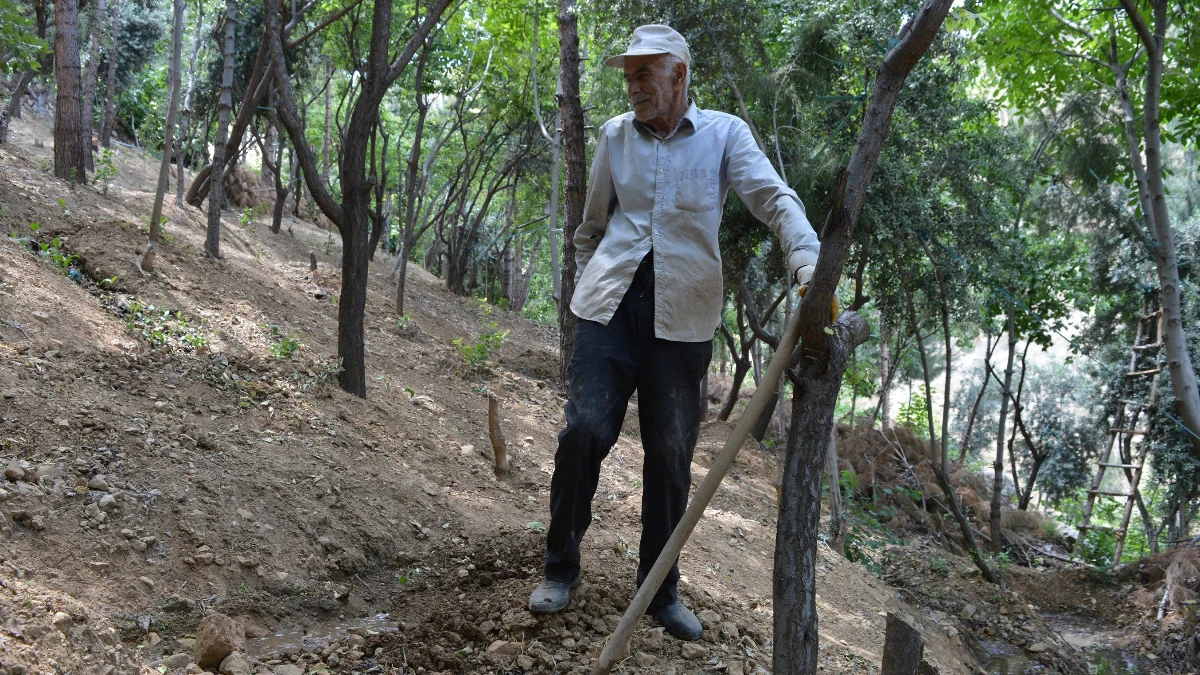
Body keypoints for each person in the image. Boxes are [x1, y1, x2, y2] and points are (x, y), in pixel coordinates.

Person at [528, 24, 822, 640]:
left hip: (684, 317)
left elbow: (773, 198)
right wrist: (588, 286)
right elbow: (591, 227)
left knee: (670, 455)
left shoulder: (725, 135)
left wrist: (806, 261)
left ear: (679, 74)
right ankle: (560, 568)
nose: (633, 86)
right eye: (628, 75)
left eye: (645, 73)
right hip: (609, 307)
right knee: (583, 431)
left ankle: (659, 591)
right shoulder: (614, 135)